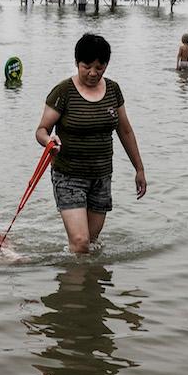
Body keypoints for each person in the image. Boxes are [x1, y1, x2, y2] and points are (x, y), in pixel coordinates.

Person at [36, 33, 146, 254]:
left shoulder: (113, 90)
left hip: (101, 176)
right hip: (69, 176)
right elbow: (41, 131)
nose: (93, 73)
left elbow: (125, 130)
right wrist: (50, 141)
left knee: (92, 242)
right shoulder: (64, 92)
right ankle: (74, 286)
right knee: (80, 242)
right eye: (87, 66)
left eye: (100, 67)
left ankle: (90, 285)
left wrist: (139, 169)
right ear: (77, 63)